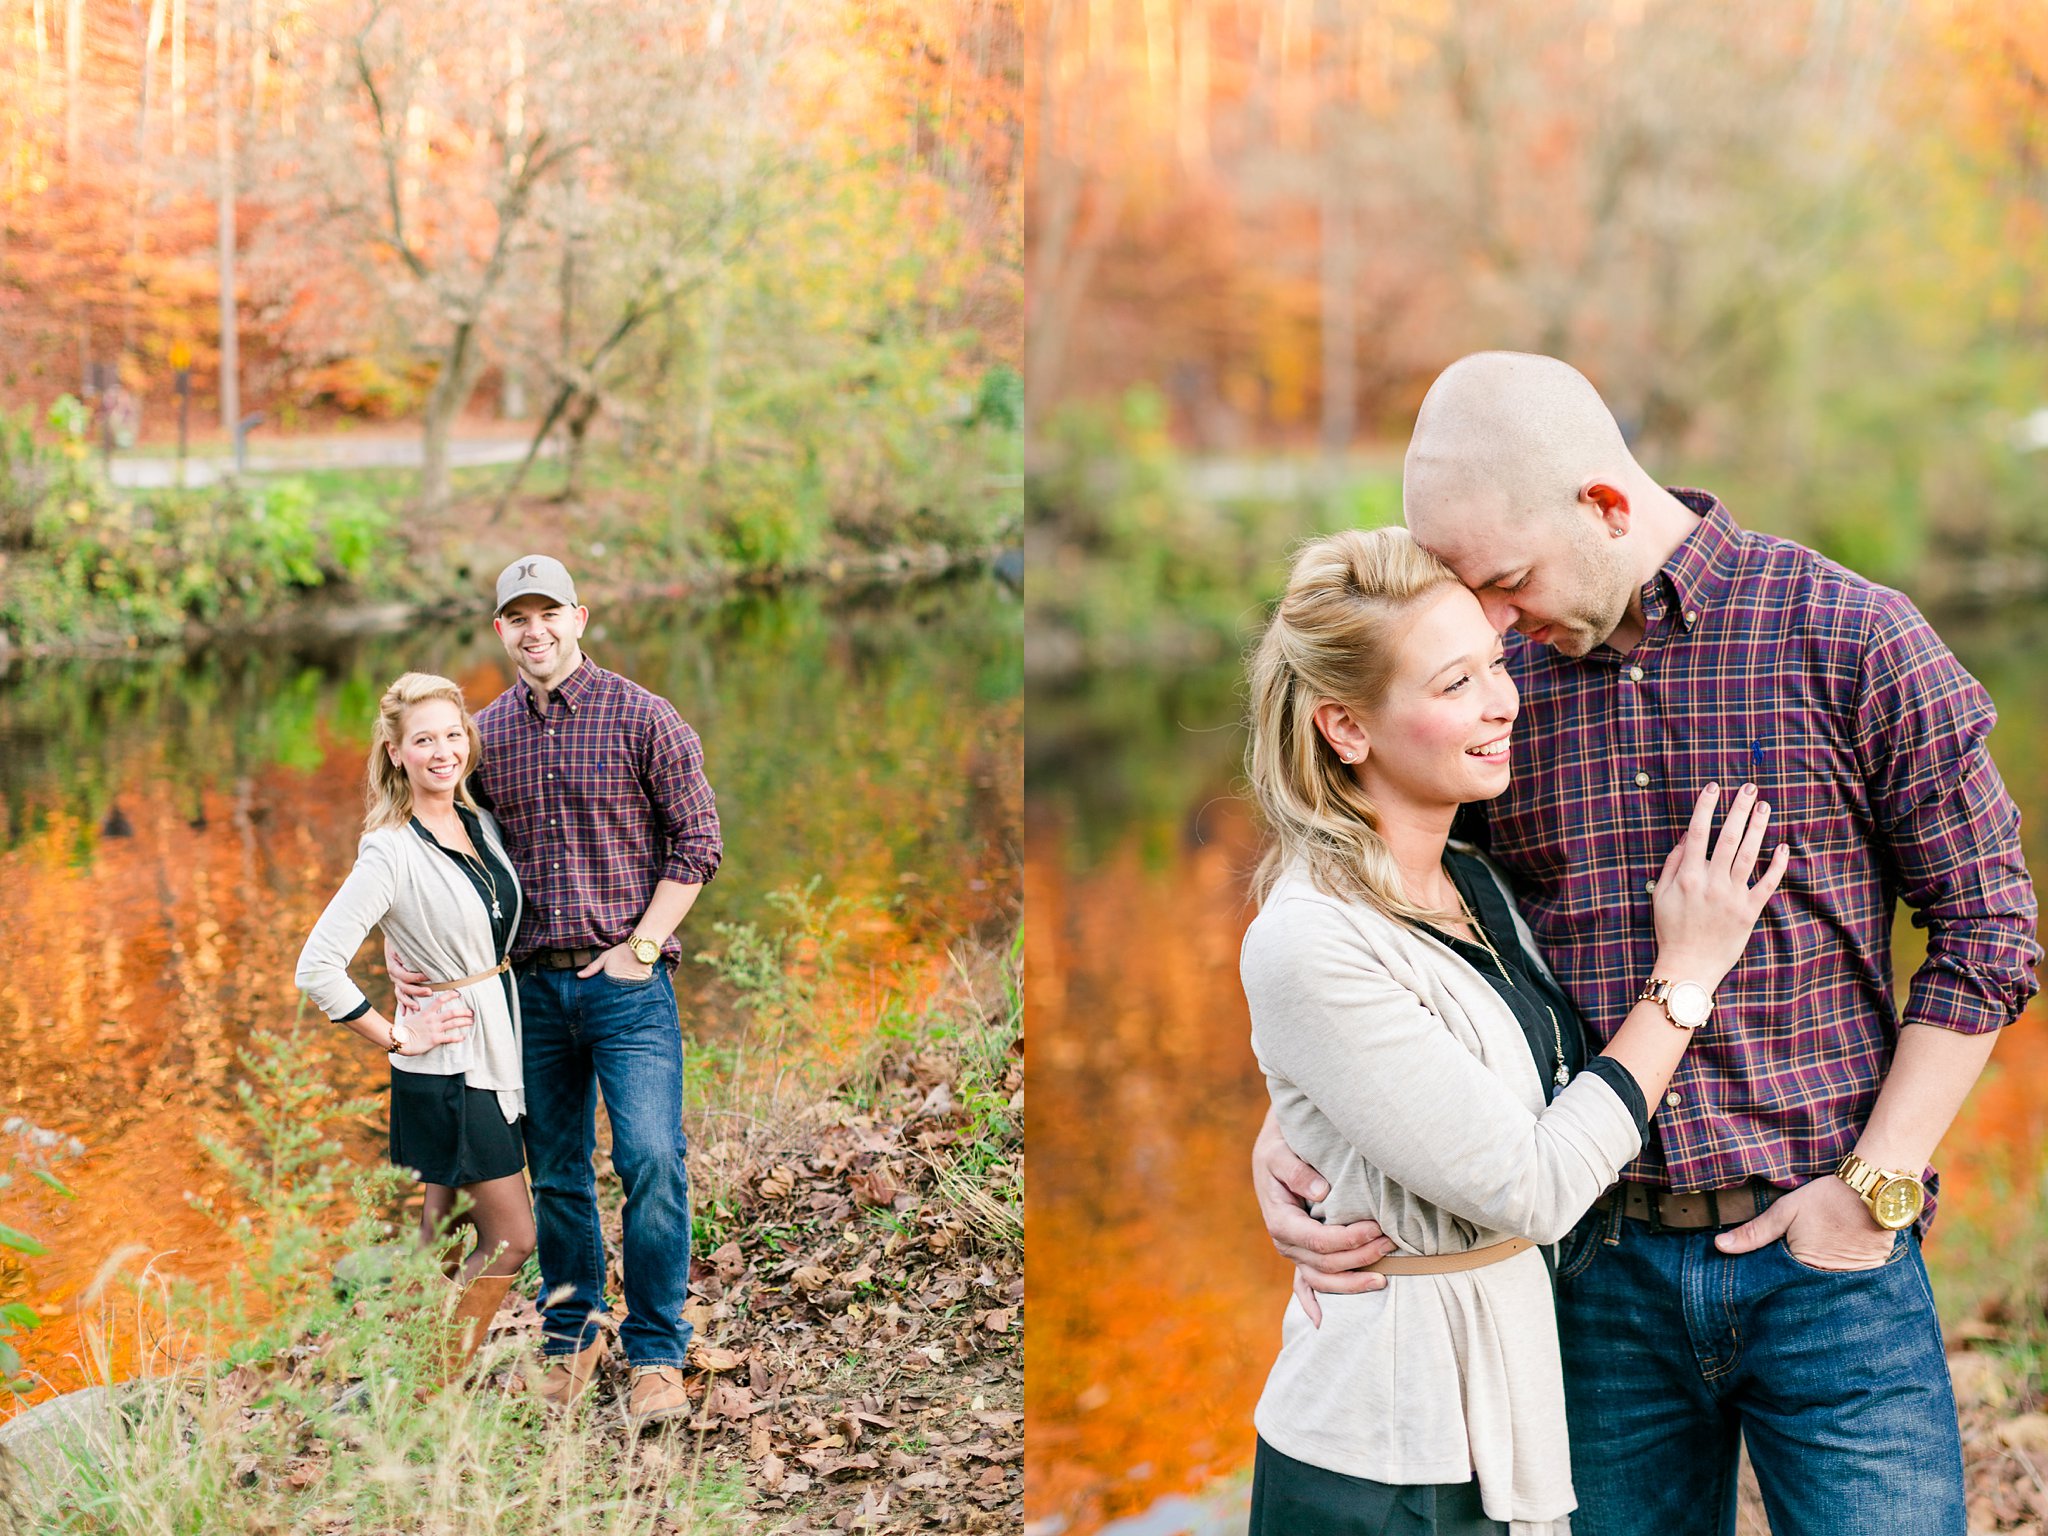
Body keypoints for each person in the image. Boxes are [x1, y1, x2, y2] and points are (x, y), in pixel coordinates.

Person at [1254, 352, 2041, 1536]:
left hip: (1825, 1267)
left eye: (1508, 585)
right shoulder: (1489, 694)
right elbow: (1397, 926)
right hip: (1587, 1278)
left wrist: (1869, 1191)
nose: (1498, 630)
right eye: (1475, 605)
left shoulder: (1852, 638)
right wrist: (1298, 1117)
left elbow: (1988, 930)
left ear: (1606, 506)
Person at [1241, 526, 1787, 1535]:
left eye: (1495, 665)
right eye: (1455, 684)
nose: (1503, 702)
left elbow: (1429, 1094)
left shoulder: (1474, 881)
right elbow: (1531, 1185)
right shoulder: (1306, 937)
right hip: (1383, 1451)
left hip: (1508, 1401)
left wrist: (1295, 1127)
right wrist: (1685, 976)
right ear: (1344, 728)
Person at [390, 555, 721, 1427]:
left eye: (549, 614)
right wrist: (401, 952)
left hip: (627, 984)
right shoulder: (483, 738)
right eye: (517, 619)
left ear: (580, 617)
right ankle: (575, 1337)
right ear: (501, 632)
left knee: (651, 1159)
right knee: (560, 1176)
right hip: (526, 994)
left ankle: (657, 1352)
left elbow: (699, 842)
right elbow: (430, 848)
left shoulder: (644, 717)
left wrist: (642, 947)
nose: (535, 631)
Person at [294, 672, 535, 1380]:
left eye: (453, 736)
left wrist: (409, 949)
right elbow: (318, 967)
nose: (442, 752)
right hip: (452, 1065)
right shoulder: (389, 849)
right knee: (514, 1237)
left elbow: (472, 920)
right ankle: (434, 1389)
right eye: (423, 740)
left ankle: (408, 1374)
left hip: (499, 1040)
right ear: (395, 752)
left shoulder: (480, 823)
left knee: (449, 1236)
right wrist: (400, 1035)